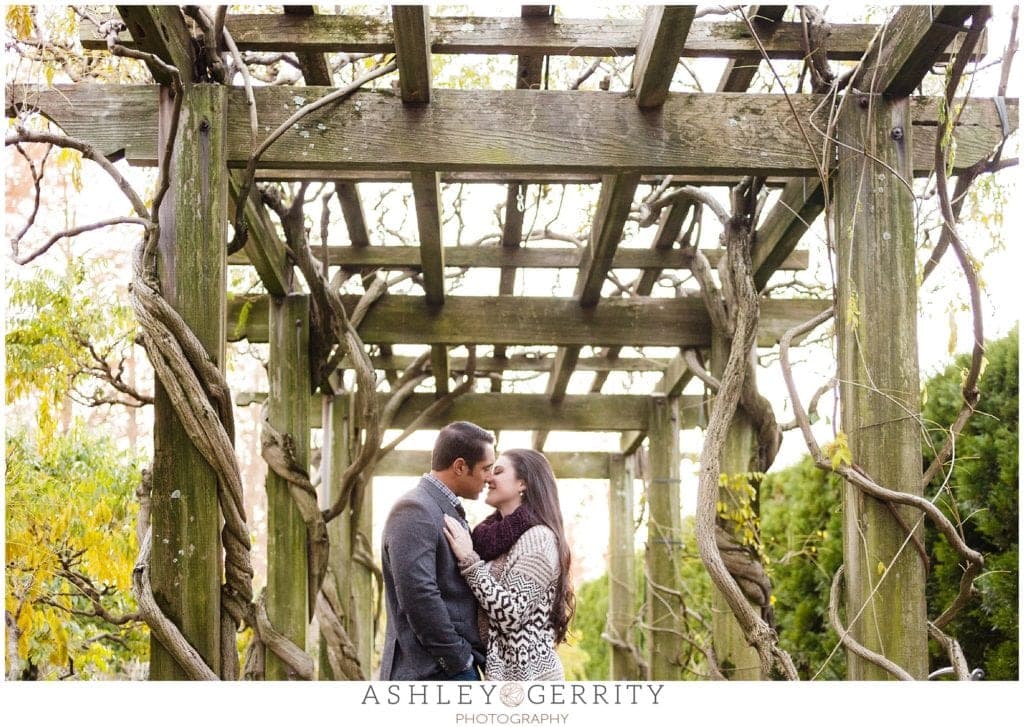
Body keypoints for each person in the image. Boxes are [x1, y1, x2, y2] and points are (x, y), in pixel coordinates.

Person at [443, 448, 574, 681]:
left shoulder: (538, 538)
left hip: (533, 678)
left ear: (522, 484)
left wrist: (469, 561)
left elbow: (511, 614)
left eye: (499, 471)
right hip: (506, 678)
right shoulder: (493, 539)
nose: (489, 478)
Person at [380, 421, 496, 680]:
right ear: (460, 466)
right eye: (486, 468)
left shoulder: (440, 507)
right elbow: (419, 594)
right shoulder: (414, 510)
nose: (490, 477)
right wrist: (458, 660)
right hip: (431, 673)